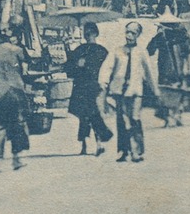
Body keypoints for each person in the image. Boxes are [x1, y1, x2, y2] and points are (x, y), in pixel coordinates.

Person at [101, 21, 161, 163]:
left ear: (138, 35)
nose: (129, 35)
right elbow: (107, 67)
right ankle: (123, 151)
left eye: (133, 33)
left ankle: (137, 151)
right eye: (127, 32)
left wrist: (155, 90)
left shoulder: (141, 52)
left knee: (134, 119)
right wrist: (103, 81)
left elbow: (149, 73)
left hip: (135, 91)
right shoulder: (117, 51)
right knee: (121, 121)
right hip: (120, 91)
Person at [0, 31, 30, 171]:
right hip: (15, 90)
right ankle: (17, 159)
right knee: (17, 124)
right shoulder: (17, 50)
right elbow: (25, 69)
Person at [65, 22, 113, 156]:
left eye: (91, 32)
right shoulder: (80, 50)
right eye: (86, 32)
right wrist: (76, 63)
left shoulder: (102, 51)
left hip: (95, 86)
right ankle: (87, 144)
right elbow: (69, 70)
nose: (88, 35)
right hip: (81, 87)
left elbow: (110, 69)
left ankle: (96, 143)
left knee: (91, 114)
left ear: (96, 33)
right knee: (84, 116)